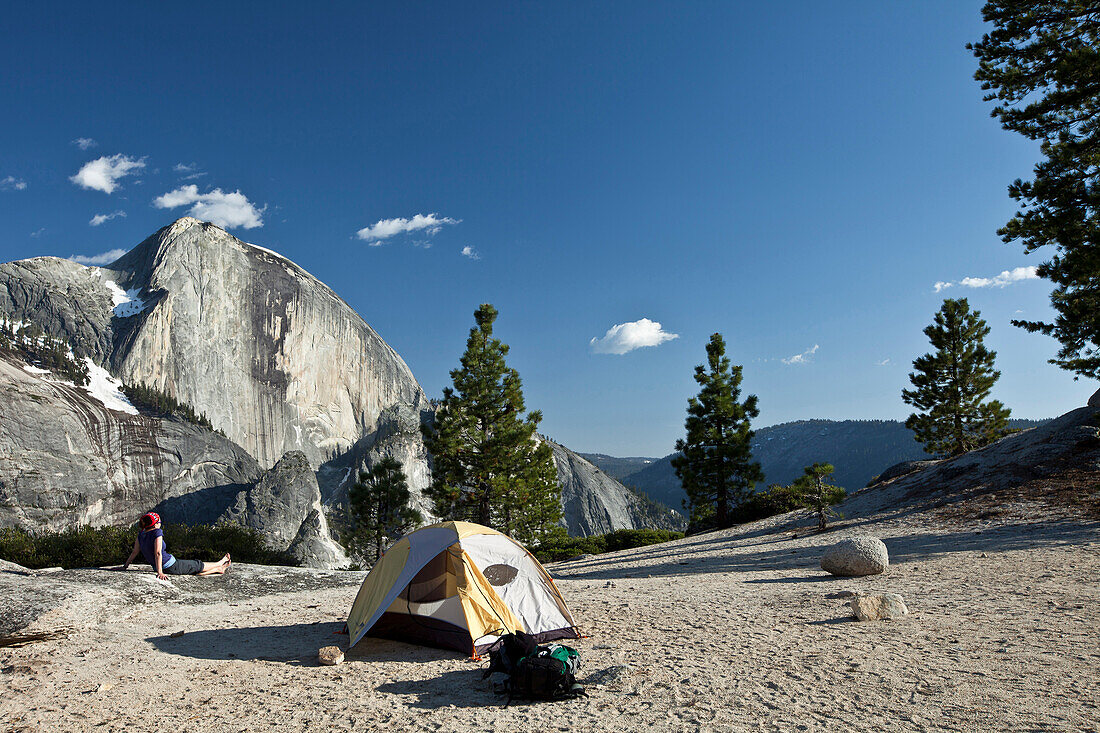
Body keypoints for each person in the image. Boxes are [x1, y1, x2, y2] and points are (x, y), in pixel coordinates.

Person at [121, 512, 231, 579]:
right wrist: (160, 573)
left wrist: (125, 566)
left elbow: (135, 552)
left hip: (163, 565)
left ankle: (219, 568)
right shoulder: (157, 532)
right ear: (155, 524)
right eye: (159, 522)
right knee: (197, 564)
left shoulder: (141, 534)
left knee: (193, 567)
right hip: (171, 566)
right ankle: (220, 563)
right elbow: (158, 553)